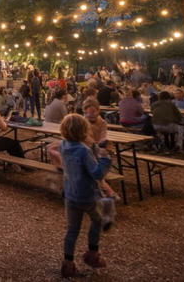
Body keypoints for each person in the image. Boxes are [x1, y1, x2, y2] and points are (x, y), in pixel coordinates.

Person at [58, 114, 111, 277]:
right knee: (98, 220)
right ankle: (92, 253)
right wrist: (105, 158)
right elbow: (96, 173)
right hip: (87, 195)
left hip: (70, 194)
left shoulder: (63, 145)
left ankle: (68, 263)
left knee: (72, 230)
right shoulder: (83, 150)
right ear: (84, 130)